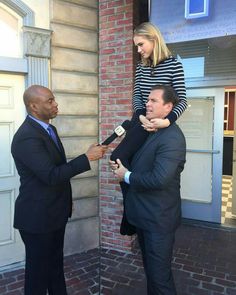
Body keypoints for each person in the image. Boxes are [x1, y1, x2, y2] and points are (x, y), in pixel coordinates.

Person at [11, 85, 108, 295]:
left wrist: (67, 199)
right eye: (50, 101)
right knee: (37, 276)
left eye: (54, 99)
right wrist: (87, 158)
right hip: (37, 218)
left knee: (55, 267)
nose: (55, 104)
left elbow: (59, 170)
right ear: (33, 106)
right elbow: (51, 175)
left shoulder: (49, 129)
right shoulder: (27, 137)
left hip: (55, 211)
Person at [110, 22, 187, 235]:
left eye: (141, 44)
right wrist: (141, 116)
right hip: (141, 122)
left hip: (162, 124)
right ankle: (131, 213)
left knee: (146, 169)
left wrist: (167, 121)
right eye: (136, 46)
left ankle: (140, 214)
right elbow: (137, 98)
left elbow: (182, 100)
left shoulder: (174, 65)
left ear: (154, 40)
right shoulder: (142, 66)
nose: (139, 50)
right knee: (117, 157)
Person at [110, 85, 186, 295]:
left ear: (169, 107)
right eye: (148, 100)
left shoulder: (172, 138)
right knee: (152, 275)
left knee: (160, 280)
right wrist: (122, 165)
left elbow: (159, 179)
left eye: (153, 101)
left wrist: (126, 175)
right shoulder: (150, 130)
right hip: (143, 217)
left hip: (158, 221)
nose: (147, 104)